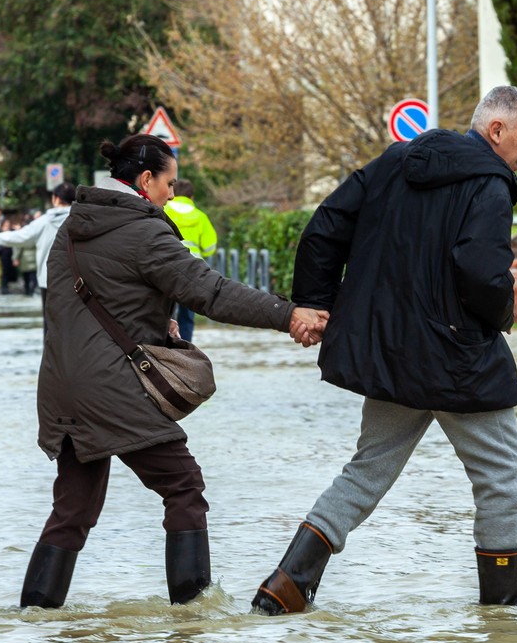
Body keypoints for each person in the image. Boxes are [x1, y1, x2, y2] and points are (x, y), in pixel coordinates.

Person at [251, 85, 517, 615]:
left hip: (389, 354)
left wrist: (315, 304)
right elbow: (482, 272)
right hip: (457, 362)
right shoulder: (492, 185)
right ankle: (503, 610)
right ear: (496, 131)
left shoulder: (396, 160)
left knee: (367, 470)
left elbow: (324, 229)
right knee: (503, 474)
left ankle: (287, 584)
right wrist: (502, 316)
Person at [19, 133, 327, 610]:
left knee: (72, 511)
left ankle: (35, 623)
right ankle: (193, 616)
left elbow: (76, 307)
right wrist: (288, 315)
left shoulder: (73, 227)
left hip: (62, 386)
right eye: (169, 183)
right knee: (184, 487)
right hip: (110, 387)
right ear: (145, 180)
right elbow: (212, 292)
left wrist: (148, 317)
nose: (172, 193)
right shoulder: (143, 231)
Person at [0, 183, 75, 309]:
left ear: (56, 199)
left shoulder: (43, 222)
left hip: (48, 279)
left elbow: (20, 237)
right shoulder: (82, 220)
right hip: (77, 280)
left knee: (51, 325)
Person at [164, 178, 218, 342]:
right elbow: (210, 247)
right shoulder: (200, 216)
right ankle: (185, 350)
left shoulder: (163, 209)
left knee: (166, 313)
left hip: (167, 268)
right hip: (192, 270)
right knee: (187, 315)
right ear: (192, 197)